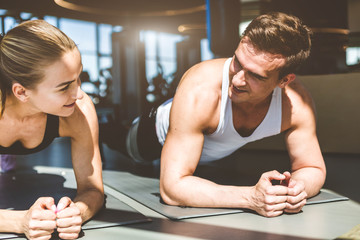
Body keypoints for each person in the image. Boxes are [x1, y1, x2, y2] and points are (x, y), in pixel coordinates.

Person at [102, 11, 326, 217]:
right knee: (120, 141)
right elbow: (171, 189)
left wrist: (297, 189)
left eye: (256, 76)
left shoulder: (297, 104)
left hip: (200, 149)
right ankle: (103, 128)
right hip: (150, 133)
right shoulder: (200, 89)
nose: (237, 80)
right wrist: (250, 197)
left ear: (283, 81)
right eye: (237, 62)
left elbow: (312, 168)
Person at [0, 20, 104, 239]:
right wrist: (19, 222)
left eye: (79, 78)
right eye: (64, 86)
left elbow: (93, 190)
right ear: (21, 92)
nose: (78, 93)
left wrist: (78, 211)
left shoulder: (80, 109)